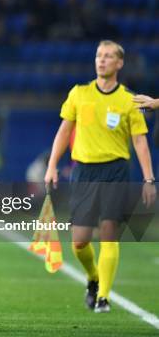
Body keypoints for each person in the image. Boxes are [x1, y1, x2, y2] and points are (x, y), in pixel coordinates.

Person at [44, 40, 156, 313]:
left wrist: (149, 179)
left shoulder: (129, 100)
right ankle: (94, 277)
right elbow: (64, 131)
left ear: (119, 63)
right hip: (84, 170)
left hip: (116, 170)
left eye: (108, 56)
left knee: (108, 234)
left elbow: (140, 142)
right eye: (98, 55)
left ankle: (104, 296)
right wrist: (51, 165)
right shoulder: (79, 94)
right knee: (80, 241)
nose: (102, 60)